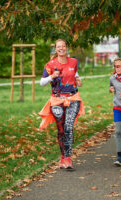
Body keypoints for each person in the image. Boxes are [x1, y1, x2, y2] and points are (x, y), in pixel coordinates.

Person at [39, 39, 85, 170]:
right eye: (59, 47)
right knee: (61, 129)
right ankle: (62, 156)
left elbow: (74, 74)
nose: (61, 48)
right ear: (56, 49)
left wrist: (78, 80)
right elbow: (42, 82)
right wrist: (52, 76)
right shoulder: (50, 64)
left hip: (73, 98)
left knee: (69, 127)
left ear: (66, 48)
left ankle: (68, 158)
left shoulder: (74, 62)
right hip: (57, 100)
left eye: (63, 46)